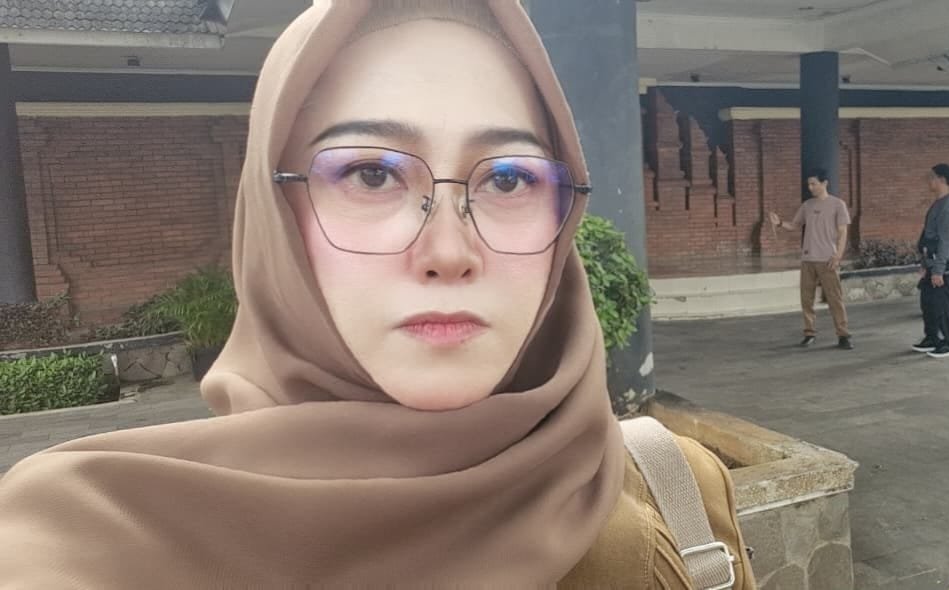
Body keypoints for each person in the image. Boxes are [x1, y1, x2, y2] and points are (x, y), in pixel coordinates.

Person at [0, 2, 754, 587]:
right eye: (371, 173)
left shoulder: (679, 492)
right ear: (274, 217)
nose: (449, 253)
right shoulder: (84, 538)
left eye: (507, 179)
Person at [769, 168, 854, 350]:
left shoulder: (838, 204)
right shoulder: (807, 205)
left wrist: (838, 256)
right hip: (808, 259)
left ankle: (843, 335)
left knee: (835, 299)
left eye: (813, 183)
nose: (810, 187)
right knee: (806, 299)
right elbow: (795, 225)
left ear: (824, 183)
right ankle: (809, 333)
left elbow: (842, 232)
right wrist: (780, 223)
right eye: (809, 184)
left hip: (828, 259)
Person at [912, 163, 949, 359]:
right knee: (928, 302)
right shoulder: (938, 202)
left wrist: (939, 270)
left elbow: (946, 241)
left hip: (946, 262)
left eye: (931, 177)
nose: (928, 181)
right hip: (933, 262)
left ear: (941, 179)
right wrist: (925, 264)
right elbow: (928, 235)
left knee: (944, 305)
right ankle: (932, 338)